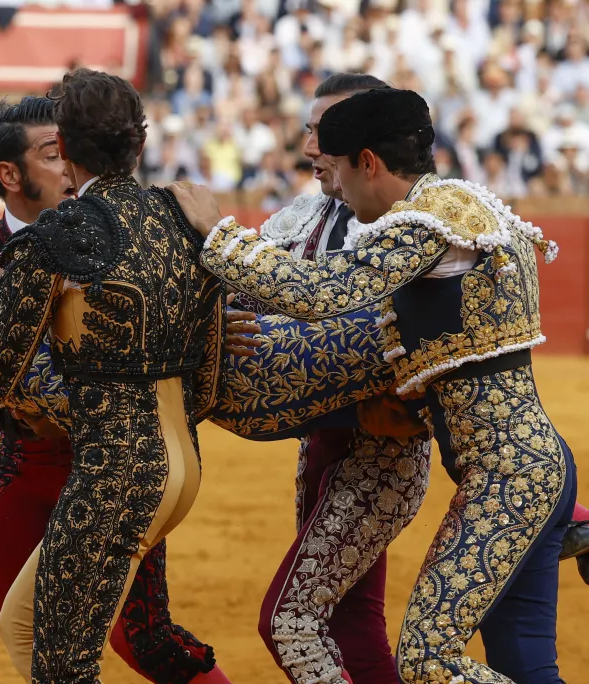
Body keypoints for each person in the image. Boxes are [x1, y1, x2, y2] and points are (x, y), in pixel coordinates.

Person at [172, 87, 577, 684]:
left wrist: (216, 233)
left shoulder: (426, 223)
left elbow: (319, 294)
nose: (333, 189)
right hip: (522, 471)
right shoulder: (461, 207)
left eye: (335, 171)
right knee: (523, 664)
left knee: (427, 661)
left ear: (368, 162)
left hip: (509, 480)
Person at [0, 96, 231, 684]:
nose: (70, 161)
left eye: (70, 148)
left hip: (119, 458)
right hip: (34, 464)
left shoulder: (125, 227)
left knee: (142, 637)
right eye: (54, 153)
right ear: (11, 174)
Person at [228, 72, 434, 684]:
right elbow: (243, 294)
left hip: (384, 450)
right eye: (311, 129)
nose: (311, 147)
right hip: (323, 447)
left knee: (293, 619)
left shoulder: (419, 223)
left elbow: (447, 352)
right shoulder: (303, 216)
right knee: (352, 622)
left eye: (325, 131)